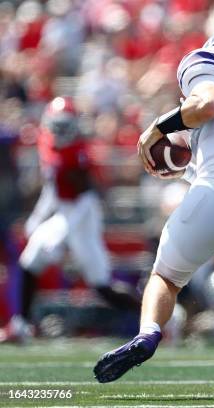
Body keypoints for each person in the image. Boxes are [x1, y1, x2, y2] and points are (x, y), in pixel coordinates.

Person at [93, 28, 214, 399]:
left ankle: (148, 334)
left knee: (166, 276)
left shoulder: (208, 61)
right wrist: (184, 162)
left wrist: (156, 128)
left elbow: (207, 106)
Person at [0, 97, 140, 343]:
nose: (61, 130)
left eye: (65, 125)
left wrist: (61, 234)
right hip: (65, 211)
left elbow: (86, 198)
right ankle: (20, 325)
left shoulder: (79, 152)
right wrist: (37, 219)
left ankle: (158, 319)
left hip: (83, 215)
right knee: (29, 262)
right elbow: (52, 189)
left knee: (101, 286)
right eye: (57, 124)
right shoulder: (46, 142)